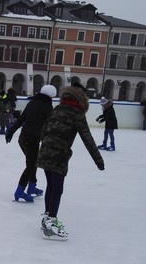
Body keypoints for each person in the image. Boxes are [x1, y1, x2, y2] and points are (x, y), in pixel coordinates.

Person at [37, 84, 104, 240]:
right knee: (57, 188)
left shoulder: (57, 109)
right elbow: (87, 138)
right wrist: (98, 160)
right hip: (59, 155)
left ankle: (47, 218)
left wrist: (48, 142)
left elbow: (43, 130)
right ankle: (51, 224)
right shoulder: (77, 113)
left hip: (45, 151)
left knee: (51, 186)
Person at [6, 84, 56, 202]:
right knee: (31, 165)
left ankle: (32, 186)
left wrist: (10, 132)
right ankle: (20, 190)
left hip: (23, 138)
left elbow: (21, 119)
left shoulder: (32, 103)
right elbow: (50, 126)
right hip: (32, 140)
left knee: (33, 162)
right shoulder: (48, 107)